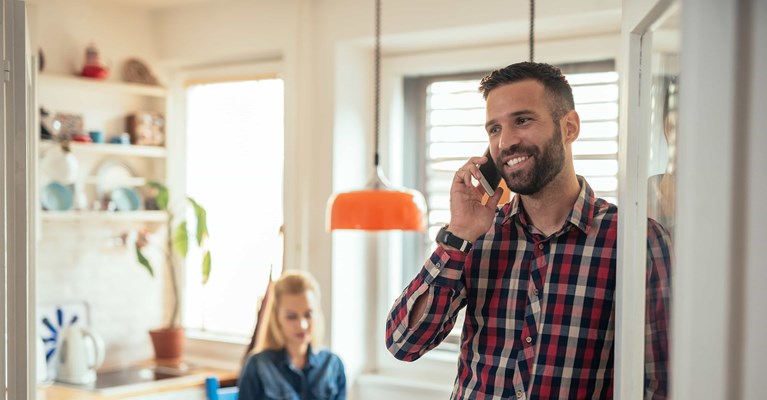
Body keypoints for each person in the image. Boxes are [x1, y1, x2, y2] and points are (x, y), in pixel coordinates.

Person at [386, 62, 671, 399]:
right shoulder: (476, 237)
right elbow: (404, 343)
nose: (505, 142)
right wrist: (458, 235)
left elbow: (659, 381)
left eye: (522, 120)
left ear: (569, 127)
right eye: (494, 129)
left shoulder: (637, 241)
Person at [239, 270, 347, 400]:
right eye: (291, 317)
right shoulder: (257, 366)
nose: (302, 325)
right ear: (277, 318)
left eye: (308, 315)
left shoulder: (333, 365)